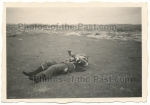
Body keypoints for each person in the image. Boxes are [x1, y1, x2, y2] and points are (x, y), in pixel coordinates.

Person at [23, 50, 88, 83]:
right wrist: (70, 54)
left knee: (54, 67)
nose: (81, 55)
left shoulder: (84, 60)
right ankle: (34, 73)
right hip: (63, 63)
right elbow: (72, 56)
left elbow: (84, 63)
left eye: (82, 55)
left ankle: (39, 78)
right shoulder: (76, 57)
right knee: (48, 62)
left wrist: (76, 57)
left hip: (68, 66)